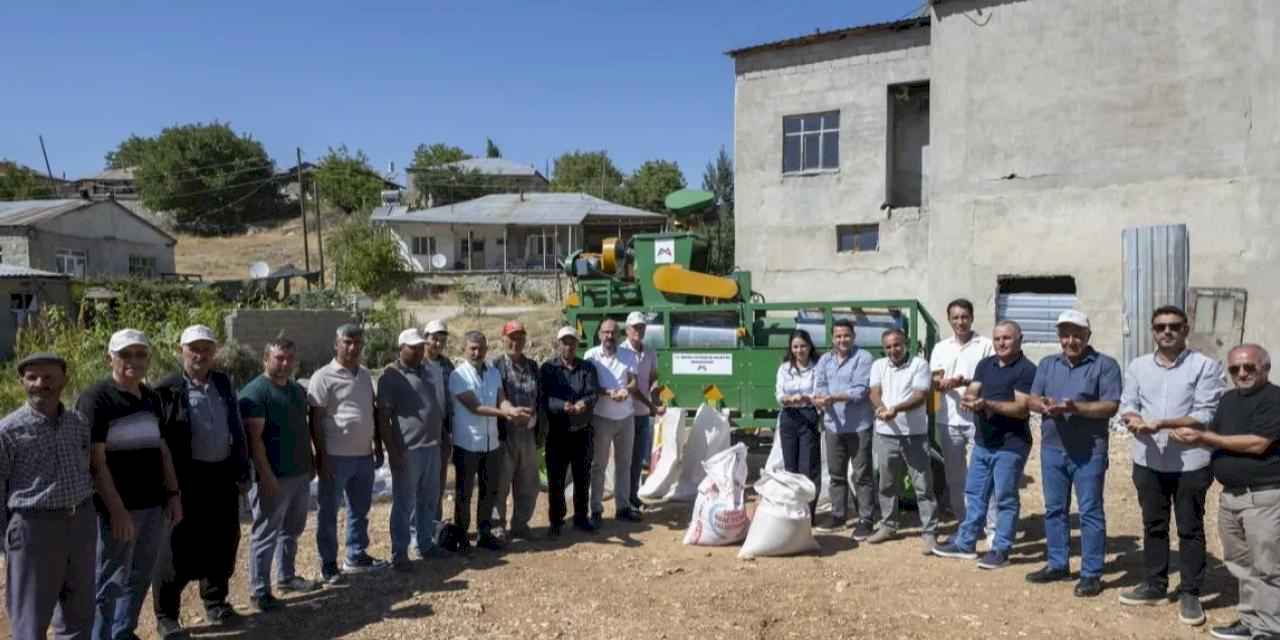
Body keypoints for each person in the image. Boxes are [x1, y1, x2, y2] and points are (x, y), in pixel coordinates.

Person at [1116, 305, 1225, 625]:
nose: (1167, 331)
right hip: (1149, 459)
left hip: (1191, 461)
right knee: (1154, 524)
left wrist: (1161, 423)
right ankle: (1155, 584)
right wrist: (1133, 420)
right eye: (1161, 326)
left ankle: (1190, 592)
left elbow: (1206, 412)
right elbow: (1128, 404)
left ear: (1185, 330)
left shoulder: (1204, 366)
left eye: (1174, 326)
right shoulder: (1138, 366)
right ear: (1153, 331)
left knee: (1190, 528)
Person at [1170, 345, 1280, 640]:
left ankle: (1271, 629)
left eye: (1249, 367)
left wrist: (1204, 436)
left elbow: (1258, 443)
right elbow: (1216, 439)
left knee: (1268, 567)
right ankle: (1251, 621)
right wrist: (1190, 438)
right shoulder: (1228, 400)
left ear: (1265, 368)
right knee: (1241, 565)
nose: (1241, 373)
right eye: (1234, 369)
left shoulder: (1275, 399)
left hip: (1264, 498)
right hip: (1231, 498)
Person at [80, 329, 183, 640]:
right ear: (109, 358)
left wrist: (173, 494)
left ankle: (123, 631)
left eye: (140, 354)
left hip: (153, 505)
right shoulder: (95, 399)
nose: (133, 361)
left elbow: (162, 450)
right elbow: (95, 462)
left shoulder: (150, 397)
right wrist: (117, 511)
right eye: (125, 354)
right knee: (109, 580)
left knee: (140, 574)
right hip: (116, 509)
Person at [151, 325, 250, 635]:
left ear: (214, 352)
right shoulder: (165, 389)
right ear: (181, 351)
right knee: (175, 549)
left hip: (222, 476)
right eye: (194, 348)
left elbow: (236, 427)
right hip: (185, 480)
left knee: (222, 540)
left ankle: (216, 602)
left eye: (206, 348)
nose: (200, 354)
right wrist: (167, 487)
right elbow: (159, 442)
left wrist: (242, 467)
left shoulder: (222, 382)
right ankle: (167, 616)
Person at [1024, 310, 1121, 598]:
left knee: (1090, 511)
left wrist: (1075, 408)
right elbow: (1032, 399)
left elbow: (1111, 406)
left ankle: (1091, 573)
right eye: (1065, 335)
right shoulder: (1047, 364)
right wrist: (1042, 404)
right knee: (1055, 509)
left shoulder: (1105, 365)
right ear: (1059, 337)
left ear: (1088, 336)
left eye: (1077, 335)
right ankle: (1057, 564)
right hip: (1052, 448)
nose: (1071, 340)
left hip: (1089, 451)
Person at [1, 353, 95, 640]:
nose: (41, 383)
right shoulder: (9, 430)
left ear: (64, 380)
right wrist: (7, 540)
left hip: (80, 523)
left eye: (49, 377)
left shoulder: (78, 423)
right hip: (34, 529)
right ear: (22, 382)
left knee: (79, 614)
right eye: (32, 377)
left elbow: (86, 466)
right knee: (30, 619)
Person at [931, 321, 1037, 569]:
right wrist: (969, 398)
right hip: (983, 442)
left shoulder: (1027, 370)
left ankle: (1001, 549)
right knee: (974, 494)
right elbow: (974, 388)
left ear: (1019, 339)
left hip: (1011, 445)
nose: (1001, 343)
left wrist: (986, 404)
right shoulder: (985, 364)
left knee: (1004, 498)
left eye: (1007, 338)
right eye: (997, 338)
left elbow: (1021, 409)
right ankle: (966, 543)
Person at [240, 338, 321, 611]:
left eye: (289, 358)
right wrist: (266, 477)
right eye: (279, 358)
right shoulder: (255, 392)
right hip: (272, 477)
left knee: (292, 530)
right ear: (266, 359)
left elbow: (302, 428)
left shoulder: (296, 390)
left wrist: (310, 462)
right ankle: (259, 591)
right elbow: (254, 441)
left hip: (298, 473)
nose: (285, 363)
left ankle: (286, 577)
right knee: (265, 533)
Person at [308, 324, 388, 584]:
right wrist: (321, 456)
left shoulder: (364, 375)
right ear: (336, 344)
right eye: (347, 342)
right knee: (328, 513)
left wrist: (377, 445)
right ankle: (329, 564)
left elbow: (371, 411)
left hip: (363, 456)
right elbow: (315, 420)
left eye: (358, 343)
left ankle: (356, 555)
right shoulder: (323, 377)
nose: (353, 347)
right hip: (335, 457)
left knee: (359, 511)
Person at [449, 331, 529, 551]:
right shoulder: (458, 376)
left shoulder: (493, 373)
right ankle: (462, 536)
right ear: (464, 349)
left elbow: (501, 399)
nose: (477, 353)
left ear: (486, 349)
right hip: (467, 443)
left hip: (491, 443)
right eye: (472, 348)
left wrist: (511, 409)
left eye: (481, 348)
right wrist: (506, 414)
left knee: (489, 491)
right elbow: (475, 407)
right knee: (464, 493)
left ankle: (484, 533)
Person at [378, 328, 446, 572]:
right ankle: (399, 554)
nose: (418, 351)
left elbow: (434, 406)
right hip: (409, 450)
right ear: (401, 348)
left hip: (432, 446)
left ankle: (425, 544)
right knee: (404, 504)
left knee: (428, 500)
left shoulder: (426, 370)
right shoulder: (390, 376)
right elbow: (383, 418)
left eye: (420, 347)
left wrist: (443, 439)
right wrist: (392, 452)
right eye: (413, 347)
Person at [866, 328, 936, 551]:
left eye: (897, 345)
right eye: (888, 347)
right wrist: (881, 408)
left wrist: (895, 409)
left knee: (923, 485)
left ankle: (929, 531)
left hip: (914, 434)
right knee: (886, 484)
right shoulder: (878, 365)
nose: (893, 350)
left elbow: (920, 396)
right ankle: (888, 525)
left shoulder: (919, 365)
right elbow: (874, 392)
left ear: (905, 343)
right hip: (885, 434)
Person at [929, 298, 995, 525]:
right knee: (955, 478)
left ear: (972, 318)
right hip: (948, 420)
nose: (960, 322)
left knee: (984, 474)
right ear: (949, 320)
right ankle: (964, 523)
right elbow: (935, 381)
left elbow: (992, 380)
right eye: (955, 317)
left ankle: (990, 526)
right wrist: (942, 384)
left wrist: (964, 382)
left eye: (964, 317)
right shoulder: (941, 348)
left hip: (979, 419)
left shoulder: (986, 345)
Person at [813, 318, 876, 538]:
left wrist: (832, 398)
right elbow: (820, 385)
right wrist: (822, 397)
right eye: (838, 336)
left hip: (858, 426)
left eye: (846, 335)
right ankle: (838, 515)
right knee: (836, 474)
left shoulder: (864, 357)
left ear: (853, 336)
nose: (842, 340)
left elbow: (860, 390)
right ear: (832, 338)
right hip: (833, 425)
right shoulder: (825, 360)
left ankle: (866, 519)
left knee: (862, 474)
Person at [541, 327, 601, 536]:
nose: (568, 346)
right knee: (556, 479)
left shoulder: (587, 368)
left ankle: (581, 517)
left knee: (582, 477)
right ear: (558, 344)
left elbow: (593, 393)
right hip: (557, 433)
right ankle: (556, 520)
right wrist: (561, 405)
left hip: (582, 431)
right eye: (565, 342)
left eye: (572, 342)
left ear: (577, 344)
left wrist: (585, 403)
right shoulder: (548, 369)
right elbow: (543, 398)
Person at [585, 318, 643, 526]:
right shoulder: (591, 356)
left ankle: (623, 507)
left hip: (626, 418)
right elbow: (590, 385)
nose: (609, 336)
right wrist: (608, 392)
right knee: (598, 465)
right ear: (600, 334)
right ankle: (596, 509)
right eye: (606, 332)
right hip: (601, 418)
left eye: (613, 332)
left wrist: (625, 390)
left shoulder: (628, 355)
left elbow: (634, 381)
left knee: (624, 464)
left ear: (619, 335)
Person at [491, 320, 542, 541]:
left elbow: (540, 398)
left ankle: (520, 524)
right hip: (504, 434)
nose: (516, 342)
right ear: (503, 339)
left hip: (528, 433)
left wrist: (537, 421)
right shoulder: (495, 367)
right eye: (512, 338)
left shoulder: (533, 366)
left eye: (520, 338)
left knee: (528, 483)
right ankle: (497, 526)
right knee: (500, 483)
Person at [774, 329, 822, 522]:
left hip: (808, 415)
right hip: (789, 417)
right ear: (790, 348)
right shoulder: (784, 368)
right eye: (795, 346)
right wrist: (788, 399)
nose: (799, 350)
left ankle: (808, 513)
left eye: (803, 346)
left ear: (809, 347)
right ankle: (793, 511)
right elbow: (779, 394)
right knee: (790, 467)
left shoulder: (817, 368)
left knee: (808, 467)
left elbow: (818, 393)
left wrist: (805, 398)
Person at [620, 311, 662, 513]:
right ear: (627, 330)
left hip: (643, 414)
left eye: (642, 327)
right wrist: (652, 406)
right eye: (635, 327)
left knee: (637, 459)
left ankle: (632, 497)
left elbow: (653, 378)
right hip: (626, 413)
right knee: (625, 459)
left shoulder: (650, 352)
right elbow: (633, 388)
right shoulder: (621, 352)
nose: (639, 330)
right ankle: (624, 500)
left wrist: (656, 397)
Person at [424, 319, 454, 532]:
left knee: (439, 481)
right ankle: (419, 527)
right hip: (422, 432)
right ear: (425, 338)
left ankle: (434, 526)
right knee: (421, 481)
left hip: (442, 429)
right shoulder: (416, 364)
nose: (438, 344)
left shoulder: (447, 365)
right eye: (434, 339)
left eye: (442, 340)